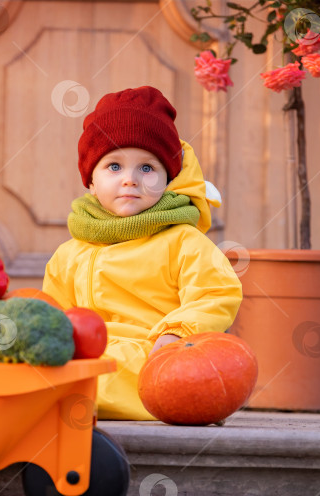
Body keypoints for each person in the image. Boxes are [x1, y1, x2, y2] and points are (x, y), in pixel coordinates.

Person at [42, 86, 242, 420]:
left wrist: (177, 334)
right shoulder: (70, 253)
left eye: (147, 168)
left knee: (100, 381)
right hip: (86, 357)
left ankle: (78, 399)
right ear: (90, 180)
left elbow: (215, 293)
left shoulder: (182, 242)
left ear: (168, 178)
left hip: (155, 359)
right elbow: (54, 313)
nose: (130, 180)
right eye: (114, 166)